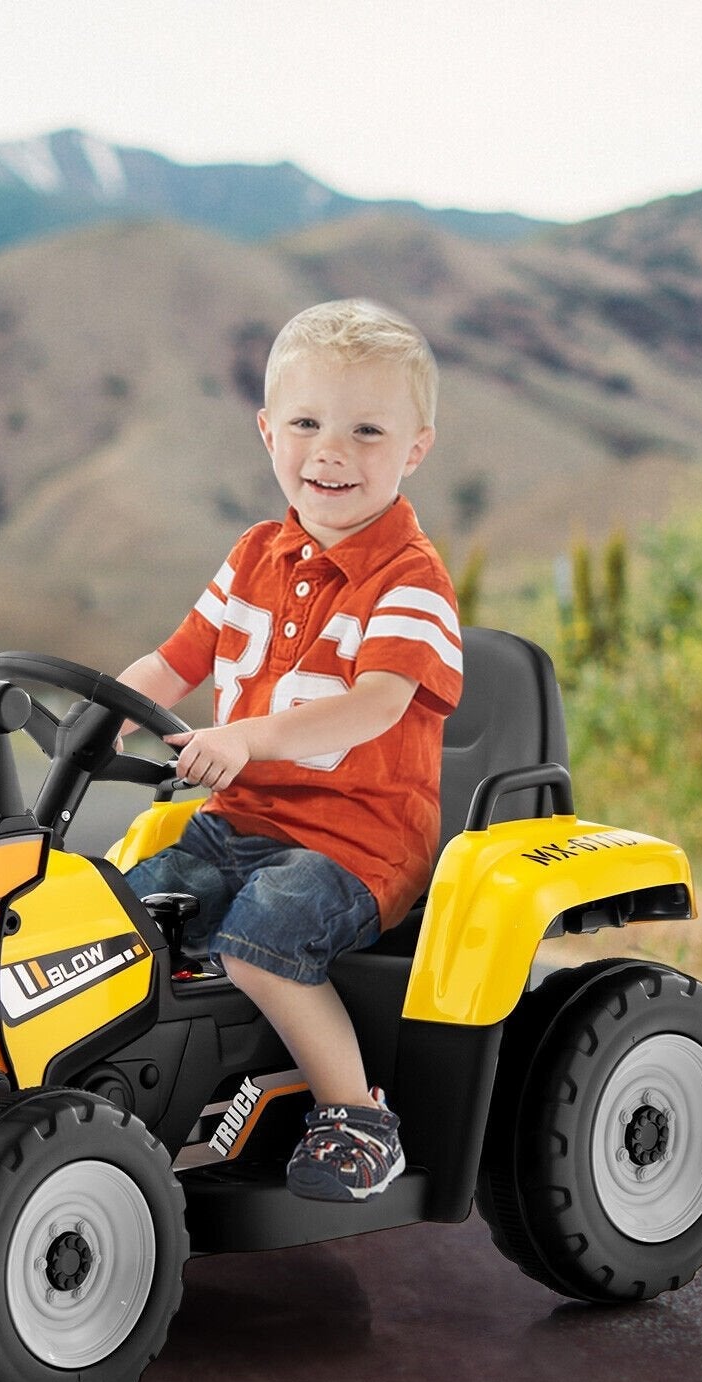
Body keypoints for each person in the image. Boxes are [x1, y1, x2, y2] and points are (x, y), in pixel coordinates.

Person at [118, 298, 461, 1201]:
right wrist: (107, 709)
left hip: (359, 842)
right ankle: (145, 1102)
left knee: (264, 935)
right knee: (120, 919)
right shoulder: (253, 556)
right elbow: (174, 660)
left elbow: (374, 706)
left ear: (414, 449)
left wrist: (246, 737)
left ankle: (358, 1115)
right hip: (239, 823)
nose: (331, 451)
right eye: (307, 422)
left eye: (366, 430)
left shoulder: (412, 580)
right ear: (268, 431)